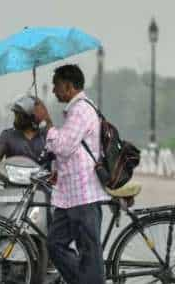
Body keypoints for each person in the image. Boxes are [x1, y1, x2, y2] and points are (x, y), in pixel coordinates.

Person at [33, 64, 110, 284]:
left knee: (89, 253)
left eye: (57, 86)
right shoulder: (74, 111)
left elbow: (64, 146)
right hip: (69, 196)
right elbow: (70, 150)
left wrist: (47, 122)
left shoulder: (81, 110)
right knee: (55, 243)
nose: (55, 91)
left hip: (84, 194)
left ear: (68, 86)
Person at [0, 95, 51, 176]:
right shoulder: (7, 135)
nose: (16, 119)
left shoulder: (46, 135)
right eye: (16, 115)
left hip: (41, 184)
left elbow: (60, 155)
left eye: (19, 116)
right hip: (13, 183)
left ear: (30, 117)